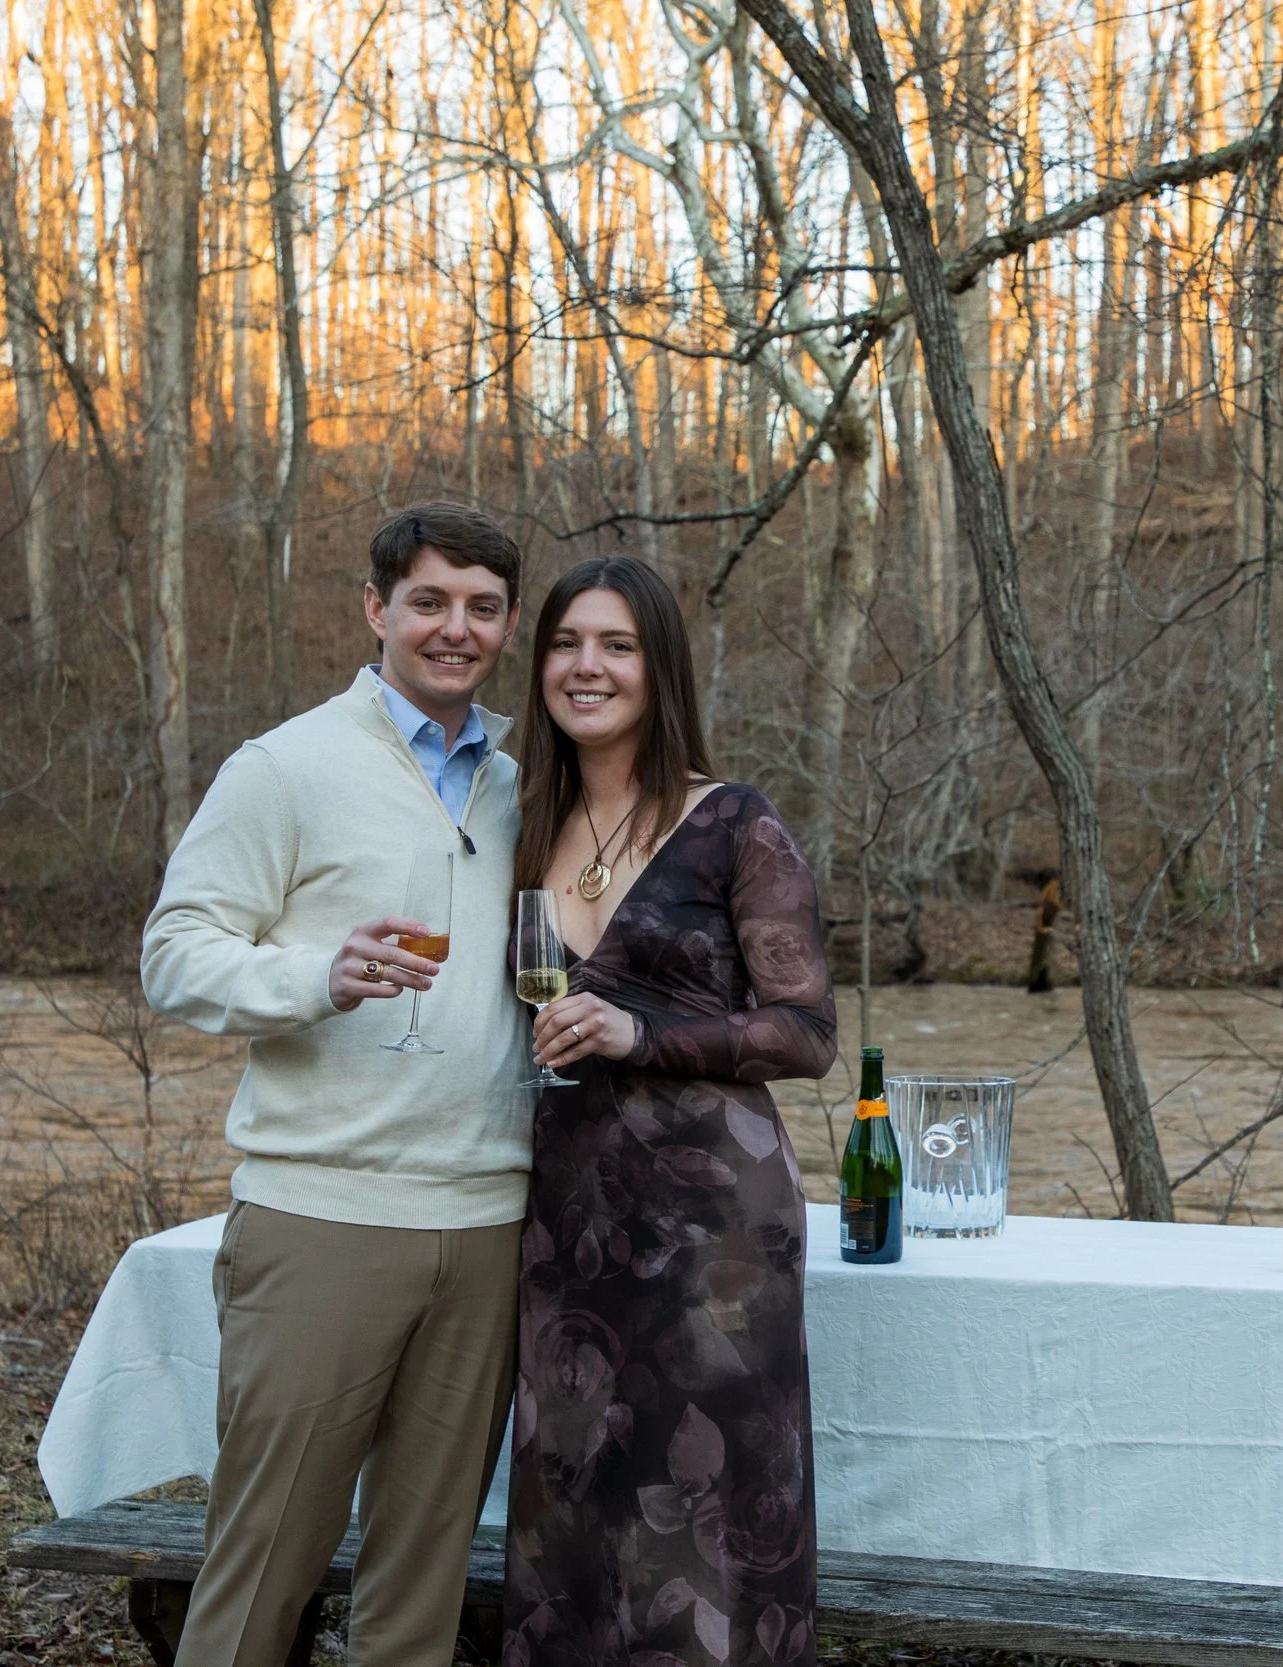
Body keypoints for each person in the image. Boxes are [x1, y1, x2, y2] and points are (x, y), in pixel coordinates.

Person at [141, 502, 532, 1667]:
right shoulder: (286, 767)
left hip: (491, 1221)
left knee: (421, 1583)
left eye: (480, 607)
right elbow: (175, 951)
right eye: (428, 601)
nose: (453, 629)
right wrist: (316, 973)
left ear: (506, 624)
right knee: (265, 1563)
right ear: (376, 610)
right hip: (325, 1221)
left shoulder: (521, 788)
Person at [502, 555, 836, 1667]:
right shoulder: (515, 816)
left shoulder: (733, 822)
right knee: (578, 1496)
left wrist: (644, 1036)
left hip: (715, 1239)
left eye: (616, 645)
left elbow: (806, 1032)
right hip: (566, 1224)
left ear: (659, 666)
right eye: (564, 643)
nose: (585, 665)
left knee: (698, 1509)